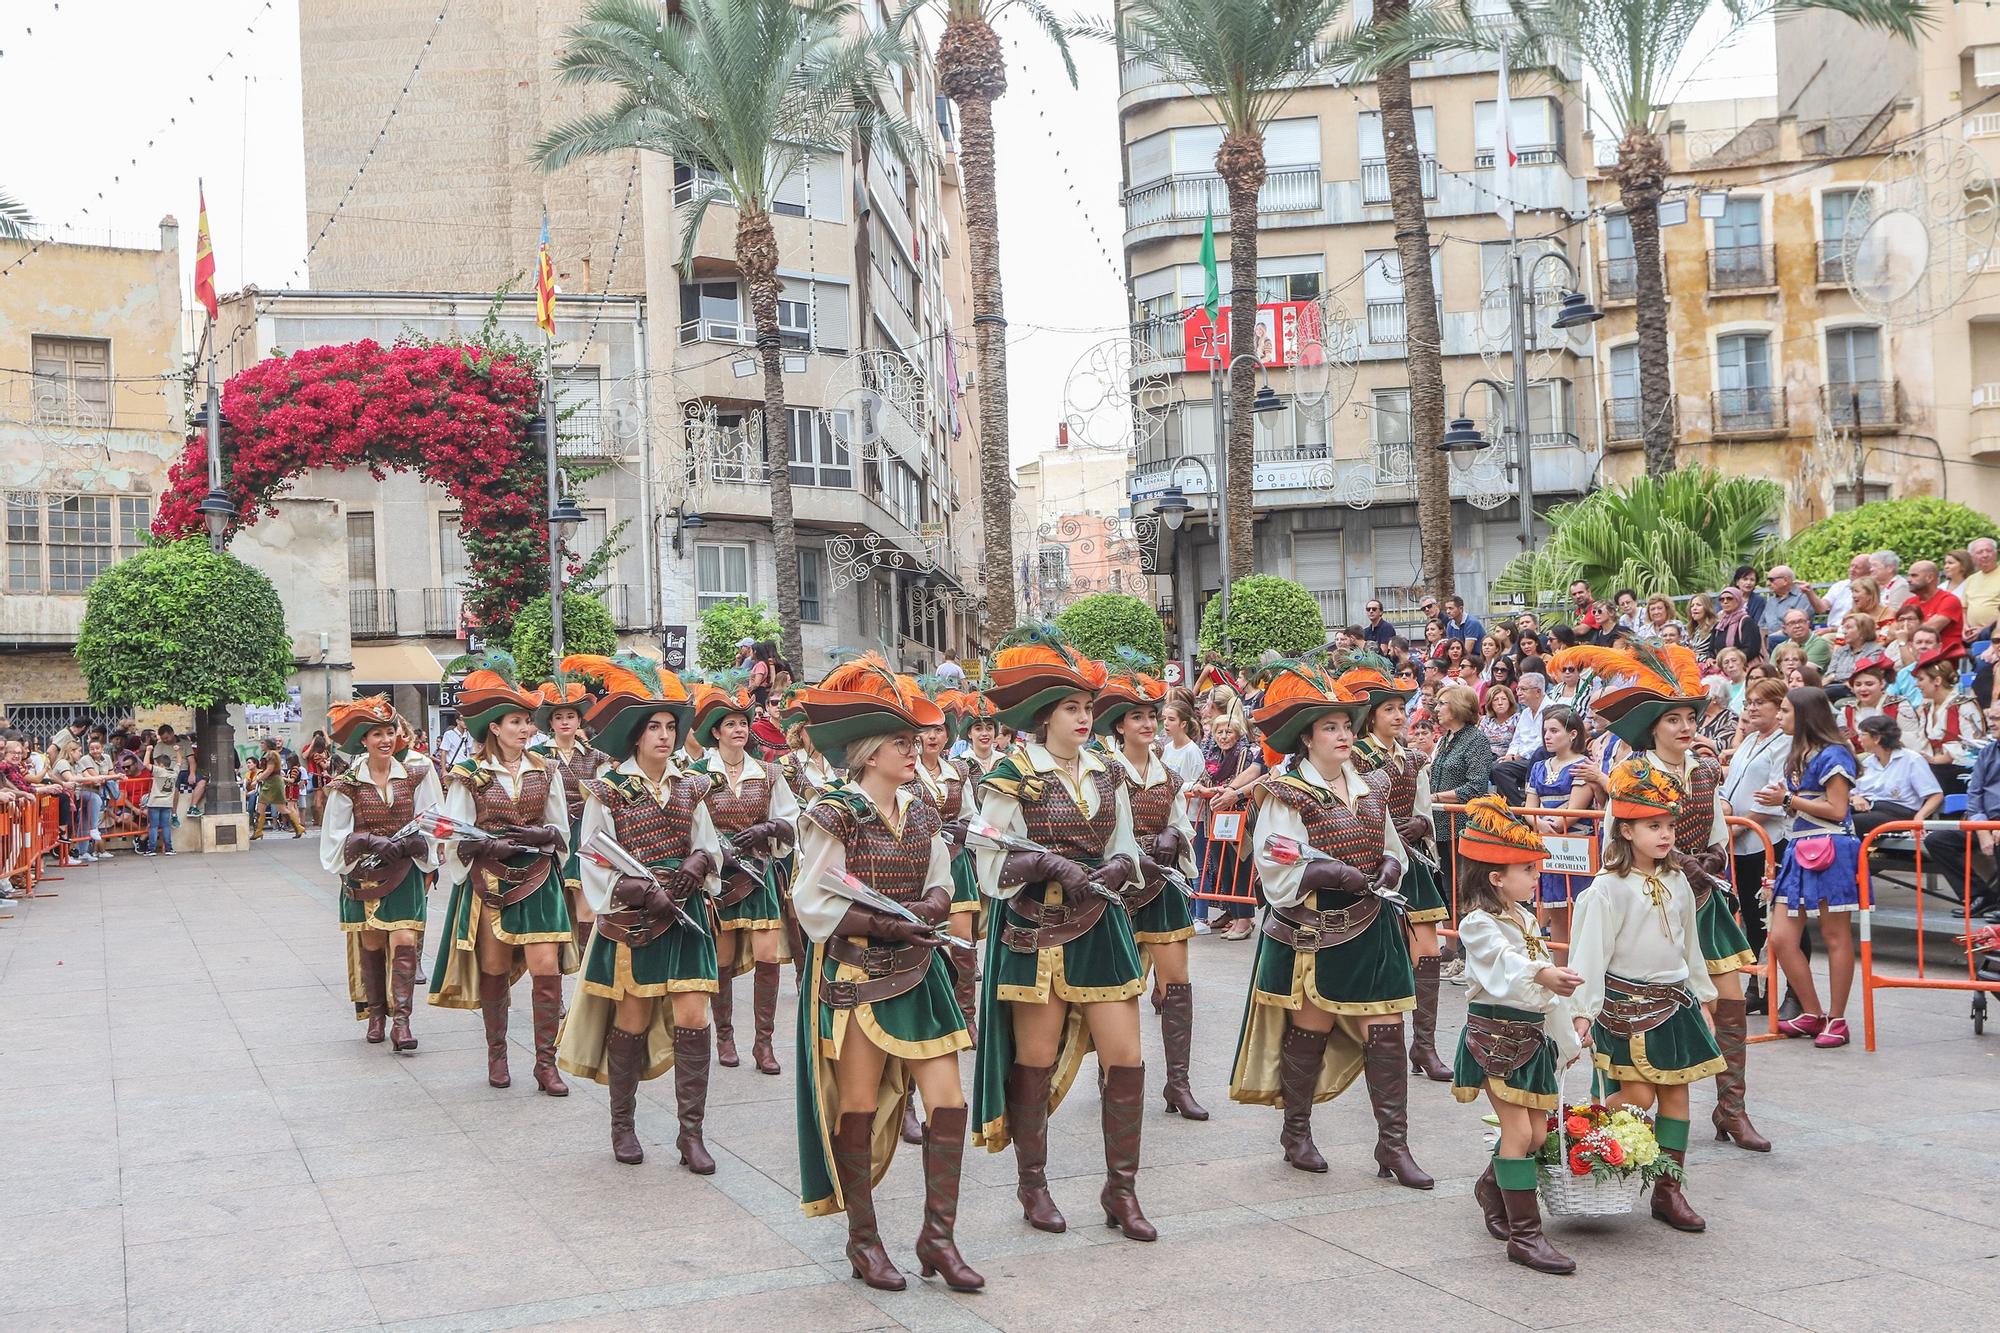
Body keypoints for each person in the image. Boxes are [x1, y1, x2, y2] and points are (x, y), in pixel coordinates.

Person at [789, 660, 982, 1292]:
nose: (915, 749)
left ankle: (938, 1238)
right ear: (871, 754)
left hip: (921, 977)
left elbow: (940, 876)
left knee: (949, 1105)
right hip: (859, 975)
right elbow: (812, 899)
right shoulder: (834, 812)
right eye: (902, 742)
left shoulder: (922, 809)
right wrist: (880, 923)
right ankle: (863, 1242)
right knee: (860, 1108)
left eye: (914, 741)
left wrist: (930, 905)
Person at [970, 626, 1155, 1242]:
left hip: (1102, 926)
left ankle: (1120, 1190)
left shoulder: (1107, 771)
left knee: (1126, 1060)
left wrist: (1116, 867)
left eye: (1087, 708)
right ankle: (1034, 1185)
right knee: (1036, 1061)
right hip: (1036, 932)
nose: (1084, 718)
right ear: (1045, 717)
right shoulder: (1010, 774)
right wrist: (1047, 863)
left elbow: (1126, 845)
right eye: (1072, 708)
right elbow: (989, 859)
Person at [1229, 662, 1431, 1189]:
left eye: (1346, 726)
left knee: (1387, 1032)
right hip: (1314, 931)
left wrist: (1391, 865)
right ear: (1307, 738)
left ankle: (1394, 1146)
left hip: (1373, 924)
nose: (1344, 735)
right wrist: (1327, 870)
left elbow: (1390, 845)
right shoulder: (1285, 791)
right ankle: (1296, 1132)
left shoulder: (1369, 787)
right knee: (1309, 1032)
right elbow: (1276, 861)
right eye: (1331, 728)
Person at [1562, 640, 1767, 1151]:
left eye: (1689, 717)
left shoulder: (1704, 770)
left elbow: (1720, 835)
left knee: (1729, 1004)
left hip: (1700, 898)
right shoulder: (1632, 773)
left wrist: (1710, 864)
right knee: (1621, 1001)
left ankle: (1731, 1109)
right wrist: (1670, 864)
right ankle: (1610, 1112)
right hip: (1645, 899)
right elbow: (1616, 841)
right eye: (1672, 718)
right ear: (1653, 727)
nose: (1684, 726)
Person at [551, 655, 725, 1171]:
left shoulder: (693, 785)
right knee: (631, 1018)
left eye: (672, 727)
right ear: (635, 735)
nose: (666, 736)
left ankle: (690, 1135)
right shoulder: (608, 790)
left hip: (687, 913)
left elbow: (708, 844)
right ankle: (622, 1125)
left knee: (695, 1019)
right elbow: (593, 855)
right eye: (655, 727)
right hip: (635, 921)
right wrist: (636, 888)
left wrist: (698, 863)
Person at [1568, 757, 1722, 1231]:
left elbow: (1689, 946)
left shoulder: (1677, 880)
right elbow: (1589, 954)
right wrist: (1582, 1013)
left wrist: (1704, 996)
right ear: (1626, 831)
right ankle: (1571, 1138)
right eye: (1652, 826)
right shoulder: (1606, 889)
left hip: (1677, 1004)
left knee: (1677, 1098)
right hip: (1626, 1009)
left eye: (1669, 825)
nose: (1665, 834)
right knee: (1637, 1096)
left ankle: (1669, 1191)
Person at [427, 649, 576, 1095]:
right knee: (493, 969)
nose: (525, 729)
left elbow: (561, 830)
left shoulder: (546, 770)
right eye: (515, 722)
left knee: (546, 969)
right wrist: (488, 844)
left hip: (540, 881)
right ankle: (497, 1055)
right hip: (488, 882)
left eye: (528, 722)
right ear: (494, 727)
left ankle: (546, 1064)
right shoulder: (468, 774)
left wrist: (538, 839)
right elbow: (454, 836)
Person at [1451, 796, 1583, 1275]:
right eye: (1528, 869)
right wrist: (1543, 973)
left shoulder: (1526, 918)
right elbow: (1503, 968)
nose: (1535, 877)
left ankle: (1492, 1188)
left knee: (1537, 1134)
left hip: (1531, 1038)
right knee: (1520, 1131)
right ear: (1496, 877)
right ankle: (1527, 1238)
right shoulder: (1478, 923)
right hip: (1495, 1040)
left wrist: (1568, 1035)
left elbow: (1544, 992)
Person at [1097, 670, 1207, 1120]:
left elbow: (1183, 823)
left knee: (1177, 984)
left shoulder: (1167, 774)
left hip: (1160, 887)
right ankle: (1113, 1073)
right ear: (1119, 726)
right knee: (1116, 989)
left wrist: (1173, 838)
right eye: (1136, 717)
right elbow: (1099, 829)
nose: (1147, 724)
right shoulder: (1104, 772)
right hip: (1119, 891)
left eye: (1151, 716)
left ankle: (1178, 1084)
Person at [684, 683, 799, 1078]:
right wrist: (718, 851)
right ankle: (725, 1036)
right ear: (714, 732)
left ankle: (763, 1044)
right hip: (719, 878)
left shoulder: (767, 771)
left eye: (742, 723)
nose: (738, 730)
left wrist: (766, 828)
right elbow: (689, 825)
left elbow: (791, 817)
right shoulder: (696, 774)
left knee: (768, 957)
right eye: (729, 724)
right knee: (723, 960)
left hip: (760, 873)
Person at [1349, 658, 1452, 1082]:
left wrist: (1423, 823)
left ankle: (1423, 1046)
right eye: (1389, 709)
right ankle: (1373, 1041)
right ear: (1372, 715)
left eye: (1401, 708)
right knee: (1381, 955)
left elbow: (1423, 805)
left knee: (1427, 955)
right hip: (1374, 866)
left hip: (1412, 863)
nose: (1398, 715)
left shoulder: (1413, 759)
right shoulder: (1354, 756)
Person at [321, 697, 441, 1052]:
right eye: (377, 734)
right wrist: (367, 840)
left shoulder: (418, 774)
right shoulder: (348, 784)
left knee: (404, 939)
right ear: (364, 741)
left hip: (404, 872)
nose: (386, 739)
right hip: (363, 876)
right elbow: (334, 833)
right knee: (371, 944)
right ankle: (376, 1014)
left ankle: (402, 1023)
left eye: (390, 732)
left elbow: (434, 819)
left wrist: (416, 845)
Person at [1761, 687, 1861, 1049]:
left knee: (1835, 936)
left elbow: (1837, 809)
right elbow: (1806, 806)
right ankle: (1813, 1011)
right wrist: (1788, 802)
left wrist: (1787, 799)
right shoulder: (1799, 754)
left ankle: (1837, 1017)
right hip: (1800, 845)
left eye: (1785, 711)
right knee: (1782, 938)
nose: (1779, 717)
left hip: (1831, 847)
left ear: (1805, 715)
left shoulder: (1835, 754)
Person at [1720, 678, 1789, 1013]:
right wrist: (1727, 814)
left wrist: (1744, 822)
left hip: (1769, 839)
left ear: (1779, 708)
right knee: (1750, 914)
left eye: (1761, 702)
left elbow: (1773, 794)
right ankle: (1757, 985)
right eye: (1749, 702)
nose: (1752, 708)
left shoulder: (1784, 742)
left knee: (1777, 917)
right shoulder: (1747, 741)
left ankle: (1792, 990)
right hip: (1741, 839)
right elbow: (1731, 785)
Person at [530, 674, 607, 955]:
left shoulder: (595, 755)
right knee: (556, 896)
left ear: (579, 721)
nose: (565, 721)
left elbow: (603, 793)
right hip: (552, 828)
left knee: (585, 894)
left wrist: (586, 806)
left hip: (586, 829)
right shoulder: (536, 755)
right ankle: (559, 953)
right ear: (550, 722)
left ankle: (586, 956)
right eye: (559, 716)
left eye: (571, 716)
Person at [1920, 695, 2000, 920]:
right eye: (1990, 718)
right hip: (1985, 821)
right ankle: (1980, 896)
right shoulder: (1988, 752)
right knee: (1937, 840)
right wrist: (1983, 827)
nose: (1992, 723)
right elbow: (1974, 793)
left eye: (1997, 718)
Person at [1189, 694, 1262, 939]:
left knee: (1240, 868)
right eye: (1219, 732)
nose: (1223, 737)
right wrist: (1202, 788)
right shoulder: (1212, 754)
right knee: (1223, 869)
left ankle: (1245, 918)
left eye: (1229, 732)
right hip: (1216, 821)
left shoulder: (1245, 753)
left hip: (1238, 818)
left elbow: (1243, 778)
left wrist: (1219, 791)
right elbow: (1205, 779)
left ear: (1238, 733)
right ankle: (1233, 913)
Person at [1524, 707, 1595, 949]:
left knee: (1577, 912)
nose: (1547, 736)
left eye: (1554, 731)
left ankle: (1580, 974)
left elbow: (1574, 810)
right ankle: (1561, 975)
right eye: (1545, 731)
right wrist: (1538, 822)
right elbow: (1529, 808)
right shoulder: (1539, 767)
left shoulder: (1583, 764)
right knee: (1556, 915)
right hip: (1547, 845)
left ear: (1573, 734)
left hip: (1575, 847)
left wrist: (1551, 823)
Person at [1429, 684, 1494, 899]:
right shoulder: (1446, 739)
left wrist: (1435, 798)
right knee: (1449, 889)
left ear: (1458, 707)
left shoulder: (1476, 740)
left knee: (1466, 888)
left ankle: (1467, 931)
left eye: (1442, 704)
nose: (1436, 709)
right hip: (1442, 823)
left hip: (1463, 825)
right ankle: (1453, 932)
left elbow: (1475, 787)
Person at [1851, 714, 1943, 838]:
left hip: (1898, 814)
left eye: (1862, 735)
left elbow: (1936, 795)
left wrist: (1919, 817)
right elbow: (1851, 791)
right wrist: (1855, 797)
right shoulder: (1867, 762)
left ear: (1877, 738)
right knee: (1834, 817)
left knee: (1852, 823)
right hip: (1868, 809)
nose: (1858, 739)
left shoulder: (1911, 759)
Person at [250, 737, 305, 839]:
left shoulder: (272, 754)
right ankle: (258, 831)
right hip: (269, 783)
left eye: (263, 743)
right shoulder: (269, 754)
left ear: (268, 744)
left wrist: (257, 779)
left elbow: (269, 770)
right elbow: (267, 770)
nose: (261, 745)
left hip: (274, 783)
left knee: (282, 808)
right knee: (260, 807)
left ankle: (298, 827)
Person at [1907, 559, 1966, 654]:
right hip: (1912, 655)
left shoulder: (1949, 600)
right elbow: (1893, 630)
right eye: (1909, 576)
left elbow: (1927, 632)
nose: (1908, 580)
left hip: (1942, 658)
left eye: (1914, 576)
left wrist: (1904, 632)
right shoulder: (1909, 602)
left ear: (1929, 577)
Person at [1758, 564, 1827, 635]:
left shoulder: (1803, 596)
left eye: (1771, 580)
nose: (1767, 584)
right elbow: (1762, 625)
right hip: (1769, 641)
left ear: (1785, 580)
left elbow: (1798, 625)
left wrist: (1772, 637)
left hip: (1791, 640)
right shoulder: (1771, 601)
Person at [1957, 537, 2000, 634]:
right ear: (1972, 558)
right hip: (1972, 632)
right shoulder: (1971, 579)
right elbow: (1963, 608)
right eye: (1980, 552)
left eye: (1988, 551)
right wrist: (1965, 626)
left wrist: (1984, 629)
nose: (1985, 555)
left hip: (1995, 632)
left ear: (1996, 553)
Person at [1712, 586, 1763, 662]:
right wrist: (1710, 658)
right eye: (1722, 599)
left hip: (1744, 667)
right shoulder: (1719, 625)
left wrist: (1730, 661)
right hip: (1722, 667)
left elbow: (1751, 650)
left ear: (1738, 600)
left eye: (1729, 598)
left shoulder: (1747, 622)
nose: (1725, 601)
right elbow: (1711, 649)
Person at [1825, 553, 1875, 621]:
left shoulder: (1872, 590)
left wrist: (1832, 629)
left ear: (1868, 572)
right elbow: (1822, 608)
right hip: (1837, 628)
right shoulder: (1839, 586)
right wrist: (1810, 593)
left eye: (1857, 567)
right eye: (1851, 566)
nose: (1852, 570)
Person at [1478, 684, 1518, 760]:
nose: (1500, 703)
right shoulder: (1486, 720)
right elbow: (1478, 742)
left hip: (1506, 761)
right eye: (1495, 700)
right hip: (1485, 759)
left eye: (1503, 699)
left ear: (1510, 701)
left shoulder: (1517, 719)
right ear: (1490, 704)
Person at [1684, 593, 1718, 660]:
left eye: (1698, 605)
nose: (1694, 608)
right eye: (1692, 606)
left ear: (1707, 608)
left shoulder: (1716, 627)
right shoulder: (1693, 630)